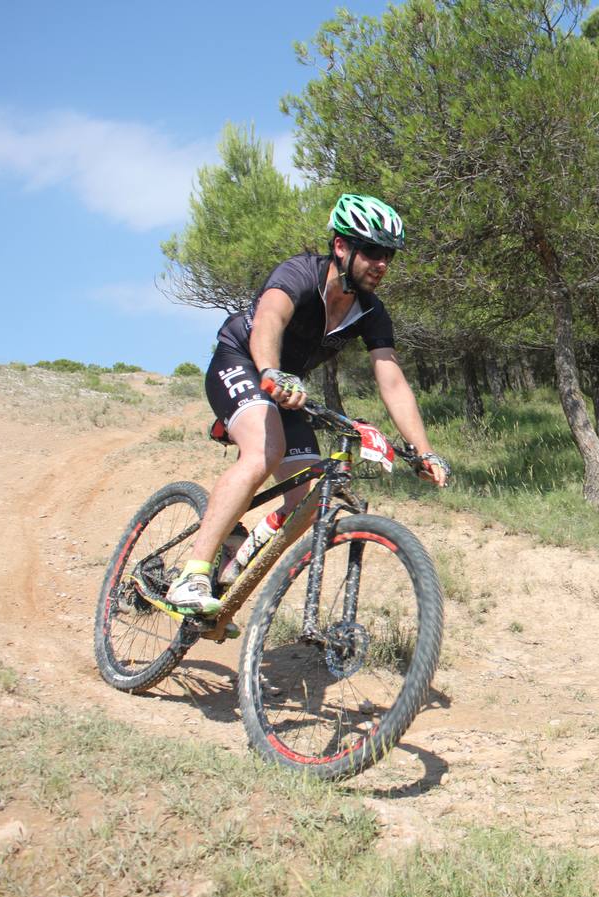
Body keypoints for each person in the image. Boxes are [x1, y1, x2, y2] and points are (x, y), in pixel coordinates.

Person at [166, 193, 449, 615]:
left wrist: (424, 450)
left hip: (285, 387)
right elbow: (269, 321)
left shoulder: (370, 312)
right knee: (265, 452)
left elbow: (392, 380)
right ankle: (192, 574)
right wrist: (269, 371)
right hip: (243, 361)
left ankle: (232, 564)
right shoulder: (299, 273)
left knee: (305, 498)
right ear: (341, 246)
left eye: (388, 254)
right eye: (371, 250)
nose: (382, 263)